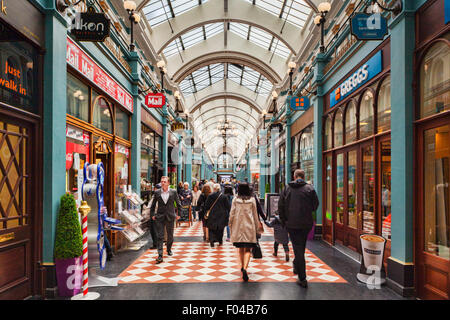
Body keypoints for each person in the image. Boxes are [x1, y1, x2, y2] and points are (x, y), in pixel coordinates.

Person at [278, 169, 319, 288]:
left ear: (295, 176)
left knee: (298, 248)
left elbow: (280, 206)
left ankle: (302, 278)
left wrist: (283, 220)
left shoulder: (287, 188)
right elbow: (315, 204)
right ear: (303, 176)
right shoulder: (310, 189)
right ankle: (297, 265)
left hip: (291, 224)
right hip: (306, 224)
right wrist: (307, 212)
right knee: (300, 246)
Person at [229, 182, 263, 282]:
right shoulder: (252, 200)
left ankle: (241, 266)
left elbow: (232, 213)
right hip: (249, 227)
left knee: (240, 248)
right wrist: (257, 227)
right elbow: (255, 215)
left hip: (238, 226)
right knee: (248, 249)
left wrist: (230, 223)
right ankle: (245, 268)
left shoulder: (236, 199)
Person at [150, 176, 181, 264]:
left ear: (168, 183)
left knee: (170, 235)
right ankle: (160, 255)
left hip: (170, 216)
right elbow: (153, 205)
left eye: (164, 181)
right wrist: (152, 214)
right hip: (160, 217)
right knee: (160, 236)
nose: (162, 183)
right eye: (161, 181)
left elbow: (178, 204)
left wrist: (179, 215)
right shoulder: (157, 192)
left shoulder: (173, 192)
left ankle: (169, 249)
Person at [148, 183, 162, 249]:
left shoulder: (158, 196)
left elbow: (156, 206)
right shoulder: (156, 195)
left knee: (154, 230)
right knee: (154, 230)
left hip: (155, 215)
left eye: (155, 188)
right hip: (153, 214)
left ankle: (156, 244)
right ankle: (156, 243)